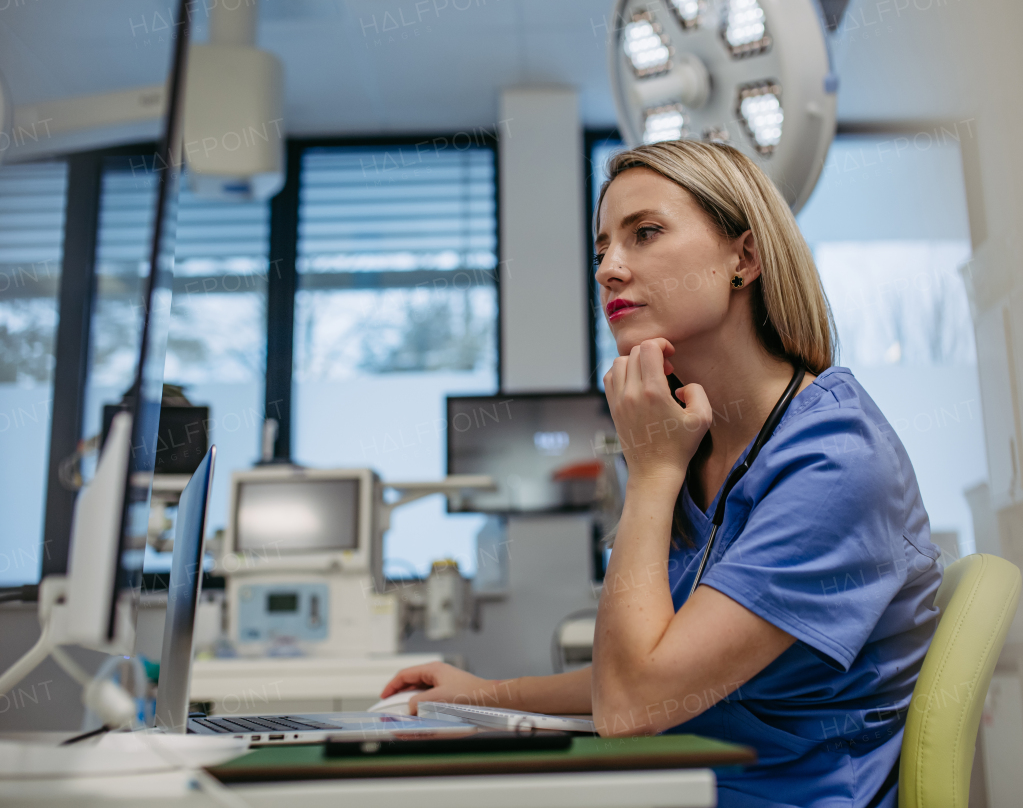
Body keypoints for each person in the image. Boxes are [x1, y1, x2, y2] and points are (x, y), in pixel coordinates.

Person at [382, 140, 943, 808]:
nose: (609, 270)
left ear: (745, 256)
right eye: (601, 249)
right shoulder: (697, 445)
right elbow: (645, 669)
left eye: (645, 233)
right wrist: (479, 696)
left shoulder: (835, 461)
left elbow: (630, 706)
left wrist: (650, 470)